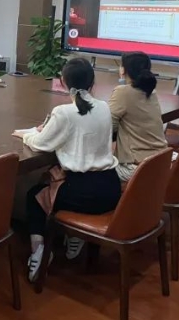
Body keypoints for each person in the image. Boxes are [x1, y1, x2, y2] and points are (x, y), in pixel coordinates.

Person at [15, 57, 120, 282]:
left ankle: (39, 252)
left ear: (62, 82)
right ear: (93, 82)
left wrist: (28, 134)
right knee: (52, 180)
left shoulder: (64, 112)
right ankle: (75, 237)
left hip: (83, 193)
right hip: (111, 188)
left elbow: (40, 144)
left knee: (34, 196)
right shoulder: (104, 107)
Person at [109, 52, 168, 181]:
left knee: (92, 172)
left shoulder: (122, 92)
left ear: (123, 70)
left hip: (136, 168)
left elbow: (108, 126)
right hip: (161, 162)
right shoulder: (151, 92)